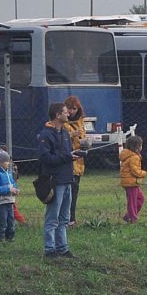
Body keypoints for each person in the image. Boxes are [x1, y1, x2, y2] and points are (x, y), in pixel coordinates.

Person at [37, 102, 80, 260]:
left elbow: (65, 154)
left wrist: (74, 155)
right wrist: (67, 157)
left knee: (64, 217)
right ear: (57, 115)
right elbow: (45, 158)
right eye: (65, 112)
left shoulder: (65, 133)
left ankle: (63, 248)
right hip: (55, 180)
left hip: (67, 179)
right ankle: (49, 249)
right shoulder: (46, 135)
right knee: (52, 217)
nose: (68, 114)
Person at [63, 95, 87, 225]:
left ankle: (72, 218)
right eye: (70, 108)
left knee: (74, 191)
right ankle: (67, 218)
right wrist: (72, 135)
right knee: (67, 192)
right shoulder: (62, 122)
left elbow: (83, 137)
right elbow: (59, 137)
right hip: (67, 160)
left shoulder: (81, 121)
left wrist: (86, 143)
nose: (72, 111)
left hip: (79, 161)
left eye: (74, 108)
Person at [119, 134, 147, 223]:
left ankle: (129, 215)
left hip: (132, 182)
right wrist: (143, 173)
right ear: (137, 147)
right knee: (132, 201)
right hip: (130, 183)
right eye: (141, 145)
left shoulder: (131, 156)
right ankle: (132, 218)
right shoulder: (134, 157)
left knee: (140, 198)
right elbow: (135, 171)